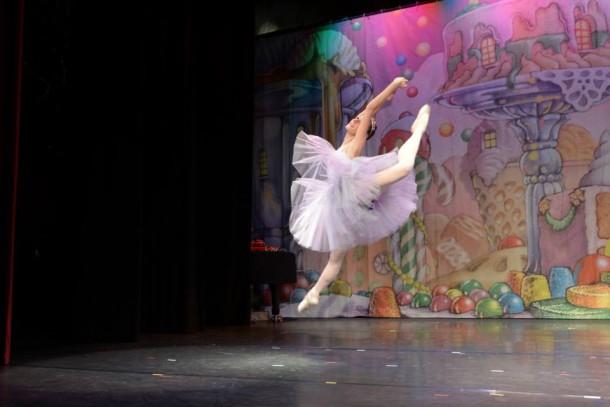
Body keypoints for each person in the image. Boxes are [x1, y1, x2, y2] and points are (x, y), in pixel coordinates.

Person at [288, 76, 431, 313]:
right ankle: (314, 293)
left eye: (359, 120)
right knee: (336, 259)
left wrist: (393, 85)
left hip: (360, 188)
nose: (355, 119)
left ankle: (418, 130)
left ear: (364, 129)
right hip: (340, 204)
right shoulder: (345, 142)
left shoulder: (356, 142)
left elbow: (371, 107)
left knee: (404, 167)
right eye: (356, 119)